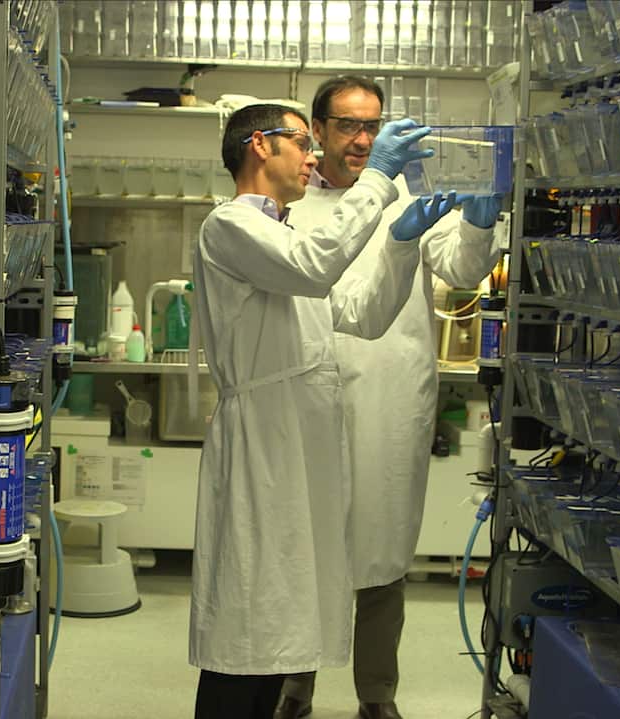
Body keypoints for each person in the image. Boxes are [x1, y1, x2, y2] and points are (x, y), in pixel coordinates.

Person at [189, 102, 463, 719]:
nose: (314, 155)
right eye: (302, 142)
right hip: (264, 444)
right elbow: (316, 270)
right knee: (248, 622)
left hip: (299, 449)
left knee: (280, 616)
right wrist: (378, 181)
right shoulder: (230, 226)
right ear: (260, 146)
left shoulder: (280, 232)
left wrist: (398, 244)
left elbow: (360, 313)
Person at [275, 77, 502, 719]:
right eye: (348, 125)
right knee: (303, 547)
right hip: (305, 390)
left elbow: (459, 269)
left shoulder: (406, 193)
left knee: (381, 549)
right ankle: (295, 685)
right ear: (316, 130)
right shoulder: (287, 199)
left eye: (373, 125)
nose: (363, 139)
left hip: (388, 391)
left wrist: (481, 218)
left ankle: (377, 694)